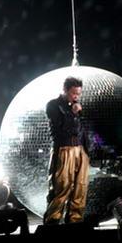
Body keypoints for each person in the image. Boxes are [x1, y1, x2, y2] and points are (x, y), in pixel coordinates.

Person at [43, 76, 90, 224]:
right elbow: (60, 129)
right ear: (65, 90)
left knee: (80, 187)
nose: (76, 96)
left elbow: (84, 130)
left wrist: (88, 151)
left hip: (80, 150)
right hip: (64, 149)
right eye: (73, 93)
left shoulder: (77, 107)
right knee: (62, 187)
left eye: (78, 93)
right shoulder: (53, 105)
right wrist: (73, 114)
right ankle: (53, 220)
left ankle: (75, 220)